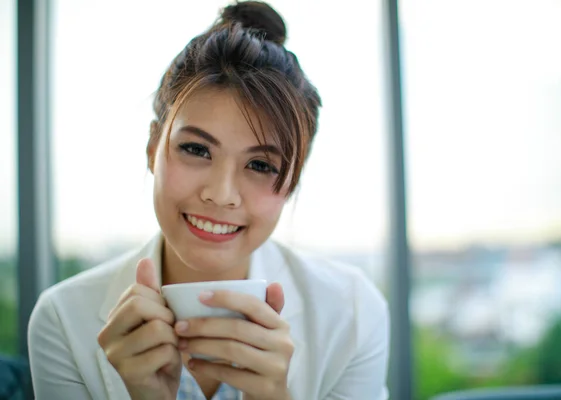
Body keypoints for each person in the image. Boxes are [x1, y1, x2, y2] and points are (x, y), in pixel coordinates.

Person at [27, 2, 390, 399]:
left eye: (260, 165)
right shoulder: (63, 319)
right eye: (197, 150)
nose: (220, 194)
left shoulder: (352, 313)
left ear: (293, 181)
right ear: (152, 146)